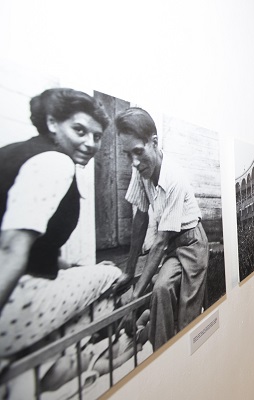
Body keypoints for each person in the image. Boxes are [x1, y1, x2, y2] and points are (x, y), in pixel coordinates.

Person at [0, 88, 121, 390]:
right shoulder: (56, 163)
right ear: (53, 122)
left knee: (87, 272)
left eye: (96, 136)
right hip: (10, 305)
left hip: (19, 287)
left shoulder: (12, 152)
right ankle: (59, 366)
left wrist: (71, 267)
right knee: (112, 275)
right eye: (79, 130)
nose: (89, 143)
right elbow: (12, 247)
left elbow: (34, 245)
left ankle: (43, 365)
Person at [113, 107, 209, 350]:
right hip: (173, 248)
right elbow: (140, 220)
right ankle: (162, 353)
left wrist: (134, 299)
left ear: (154, 142)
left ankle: (184, 355)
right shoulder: (141, 170)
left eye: (138, 151)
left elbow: (160, 242)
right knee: (160, 290)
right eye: (127, 154)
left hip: (192, 245)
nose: (133, 162)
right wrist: (129, 270)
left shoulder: (174, 178)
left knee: (188, 318)